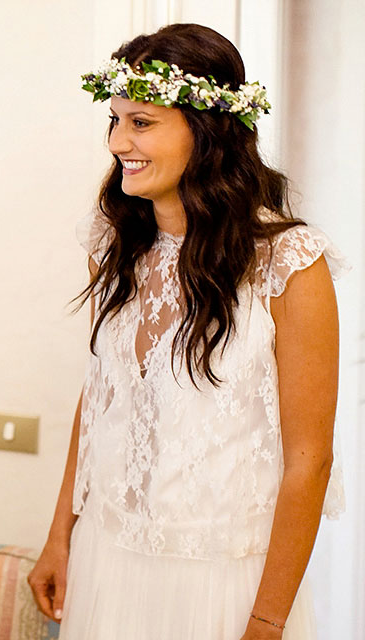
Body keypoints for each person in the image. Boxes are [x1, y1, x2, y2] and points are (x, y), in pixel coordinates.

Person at [27, 23, 344, 640]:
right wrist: (59, 536)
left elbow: (311, 460)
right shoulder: (114, 245)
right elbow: (100, 399)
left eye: (141, 122)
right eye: (114, 121)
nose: (119, 141)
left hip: (222, 580)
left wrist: (266, 622)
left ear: (209, 131)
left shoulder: (289, 264)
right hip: (106, 557)